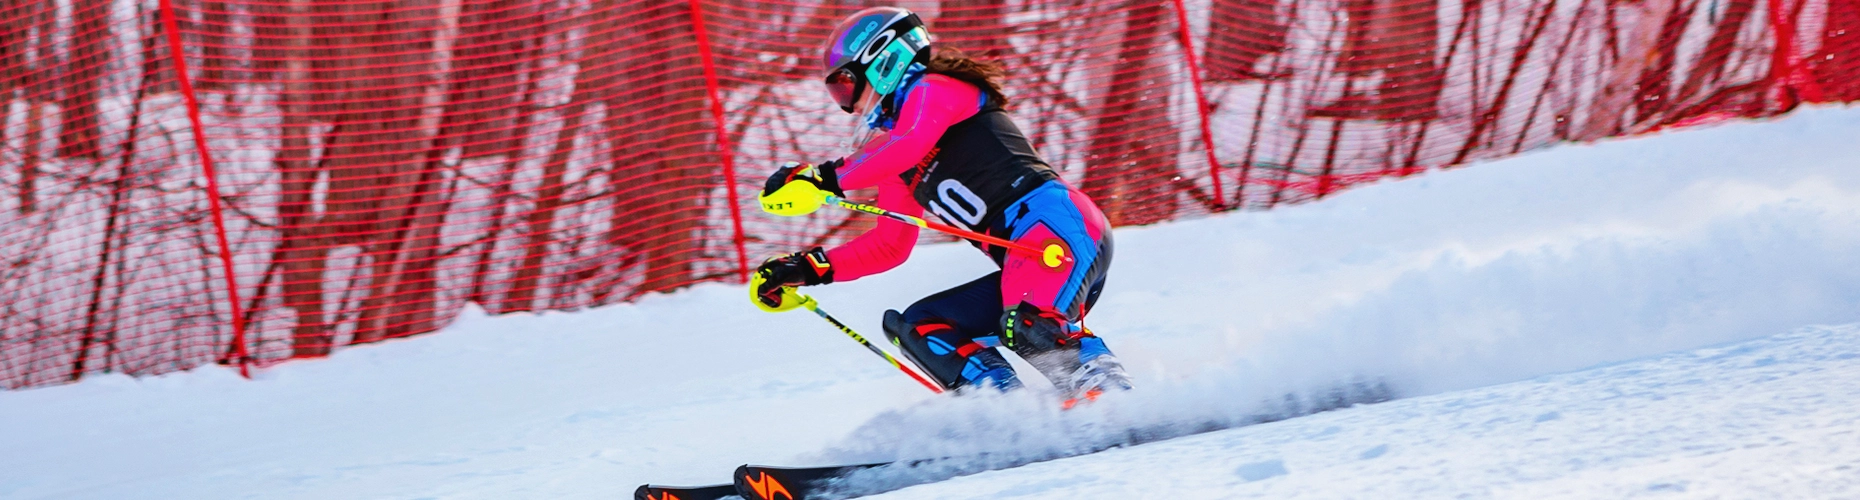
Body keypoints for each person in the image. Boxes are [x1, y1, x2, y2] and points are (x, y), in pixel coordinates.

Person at [751, 7, 1131, 404]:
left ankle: (1115, 402)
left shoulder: (936, 88)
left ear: (883, 59)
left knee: (1028, 325)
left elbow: (911, 141)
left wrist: (825, 177)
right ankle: (1007, 415)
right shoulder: (893, 151)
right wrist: (810, 267)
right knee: (921, 326)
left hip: (1057, 231)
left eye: (845, 85)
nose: (846, 105)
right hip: (1026, 258)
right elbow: (890, 245)